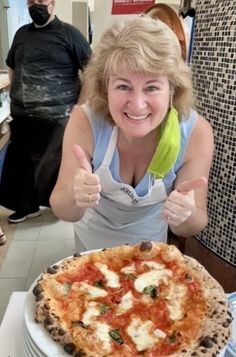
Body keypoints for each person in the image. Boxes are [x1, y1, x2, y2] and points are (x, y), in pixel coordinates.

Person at [50, 16, 214, 252]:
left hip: (150, 249)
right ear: (105, 87)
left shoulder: (196, 133)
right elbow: (62, 209)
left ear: (173, 89)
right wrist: (75, 196)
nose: (137, 105)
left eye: (152, 87)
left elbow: (193, 224)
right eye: (123, 86)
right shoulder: (84, 121)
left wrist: (184, 214)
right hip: (91, 249)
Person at [0, 0, 91, 223]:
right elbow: (13, 65)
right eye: (31, 1)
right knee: (21, 164)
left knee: (53, 166)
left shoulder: (70, 34)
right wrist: (18, 91)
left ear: (53, 3)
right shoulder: (22, 34)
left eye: (41, 0)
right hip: (22, 115)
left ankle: (57, 206)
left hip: (57, 118)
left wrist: (79, 107)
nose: (35, 5)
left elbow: (91, 71)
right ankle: (27, 207)